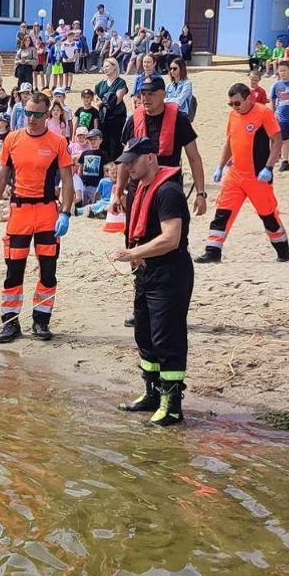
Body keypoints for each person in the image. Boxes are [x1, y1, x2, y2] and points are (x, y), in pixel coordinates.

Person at [109, 136, 192, 427]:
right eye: (126, 162)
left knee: (167, 338)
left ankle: (172, 406)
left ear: (151, 158)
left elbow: (171, 238)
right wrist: (134, 257)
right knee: (144, 335)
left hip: (170, 272)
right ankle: (152, 394)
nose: (128, 167)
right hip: (146, 273)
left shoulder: (168, 191)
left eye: (133, 161)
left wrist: (133, 253)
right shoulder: (137, 189)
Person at [0, 90, 75, 344]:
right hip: (19, 211)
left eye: (37, 114)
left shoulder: (58, 142)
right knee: (14, 270)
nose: (31, 118)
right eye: (27, 113)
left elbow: (67, 180)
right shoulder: (12, 139)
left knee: (48, 271)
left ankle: (41, 321)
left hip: (46, 212)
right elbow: (2, 176)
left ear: (47, 115)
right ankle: (10, 323)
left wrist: (66, 213)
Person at [200, 83, 289, 264]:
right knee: (222, 213)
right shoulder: (233, 115)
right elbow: (229, 142)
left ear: (249, 98)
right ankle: (212, 251)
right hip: (235, 175)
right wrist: (220, 166)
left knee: (268, 216)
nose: (234, 107)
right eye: (231, 104)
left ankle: (282, 250)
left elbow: (277, 141)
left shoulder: (264, 113)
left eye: (237, 103)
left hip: (257, 176)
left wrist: (269, 167)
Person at [128, 77, 209, 211]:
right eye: (143, 94)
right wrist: (118, 193)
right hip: (139, 187)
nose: (146, 98)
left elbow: (194, 157)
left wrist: (200, 193)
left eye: (151, 94)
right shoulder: (133, 121)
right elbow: (125, 159)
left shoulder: (179, 120)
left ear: (163, 95)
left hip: (168, 187)